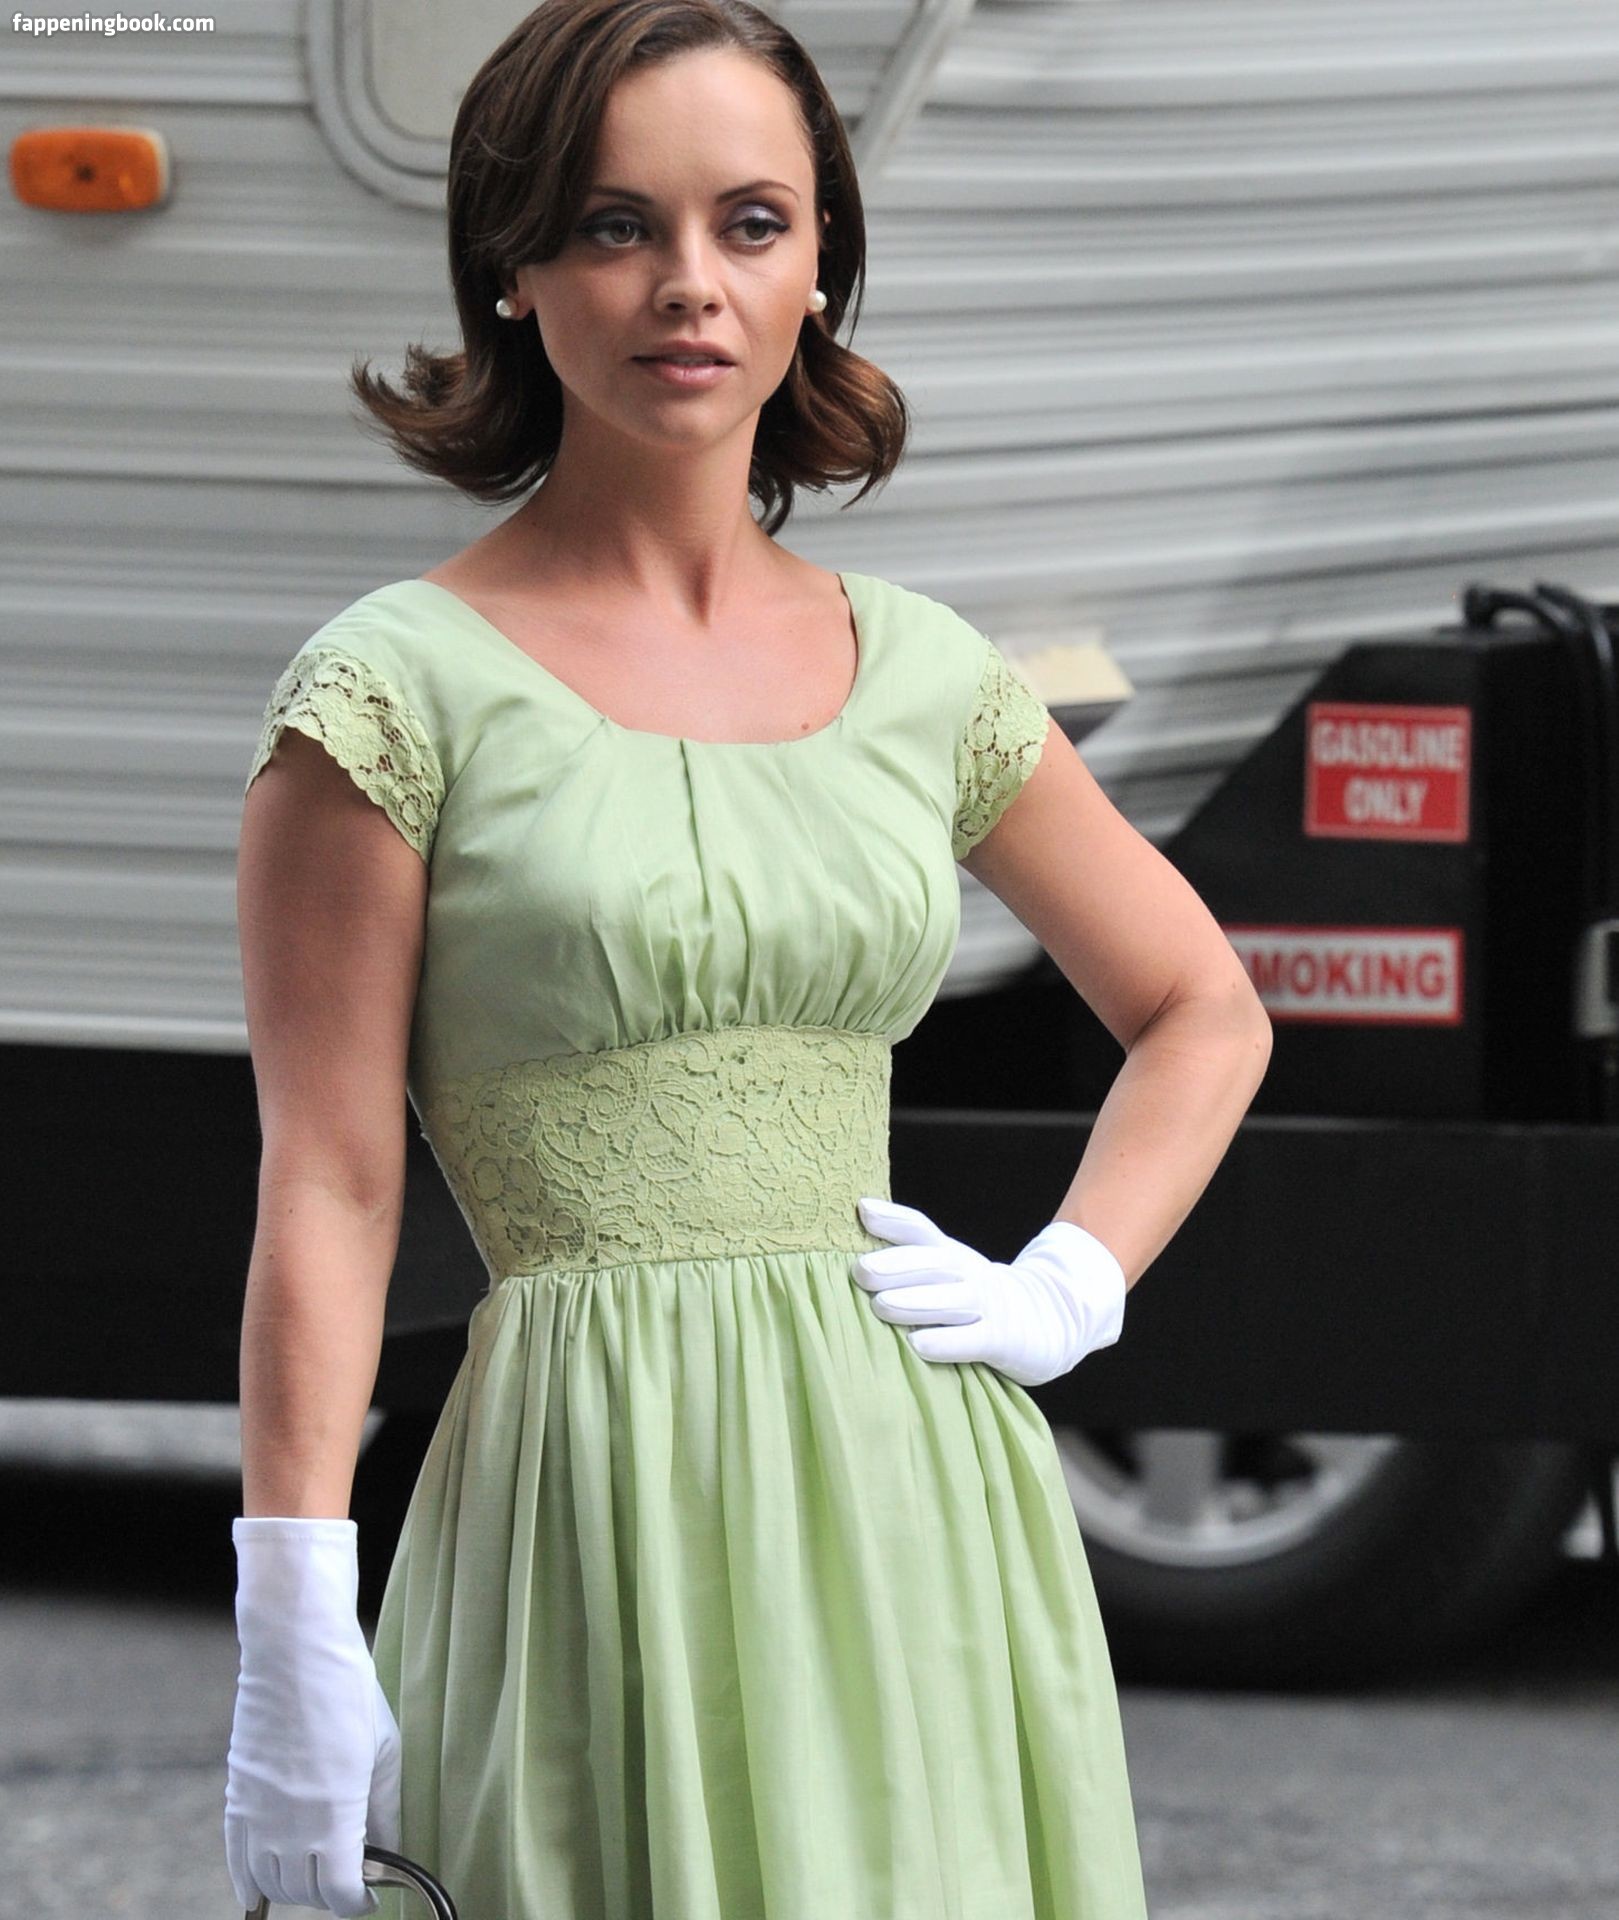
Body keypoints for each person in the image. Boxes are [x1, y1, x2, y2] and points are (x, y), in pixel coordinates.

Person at [223, 2, 1273, 1915]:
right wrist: (290, 1617)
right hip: (589, 1497)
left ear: (819, 270)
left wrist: (1069, 1286)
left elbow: (1201, 1007)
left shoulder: (926, 672)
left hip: (920, 1495)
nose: (688, 284)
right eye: (615, 225)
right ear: (515, 270)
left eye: (752, 223)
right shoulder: (388, 693)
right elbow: (333, 1181)